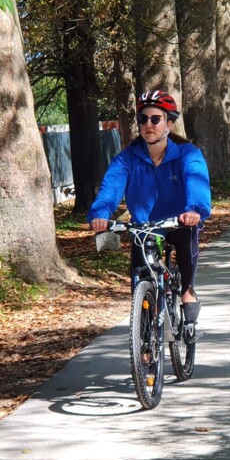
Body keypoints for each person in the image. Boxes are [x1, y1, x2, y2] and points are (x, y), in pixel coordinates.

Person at [89, 90, 211, 324]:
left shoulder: (187, 154)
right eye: (143, 119)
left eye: (156, 119)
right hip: (144, 227)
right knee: (141, 278)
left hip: (180, 221)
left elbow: (196, 179)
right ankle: (144, 343)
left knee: (187, 239)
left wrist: (194, 209)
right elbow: (111, 187)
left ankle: (187, 291)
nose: (148, 125)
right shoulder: (127, 158)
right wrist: (100, 214)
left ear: (169, 123)